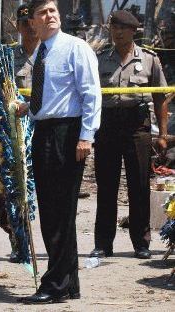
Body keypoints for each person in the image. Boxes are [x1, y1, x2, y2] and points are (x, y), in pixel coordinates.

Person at [17, 0, 101, 304]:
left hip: (66, 134)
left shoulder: (75, 47)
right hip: (46, 130)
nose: (50, 16)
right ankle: (68, 283)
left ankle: (54, 285)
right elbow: (52, 95)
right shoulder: (43, 51)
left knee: (59, 212)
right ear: (32, 22)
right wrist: (28, 107)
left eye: (53, 10)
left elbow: (90, 93)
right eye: (43, 13)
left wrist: (86, 136)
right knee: (54, 211)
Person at [90, 10, 168, 260]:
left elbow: (161, 97)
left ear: (133, 31)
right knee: (106, 186)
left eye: (123, 28)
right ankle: (103, 243)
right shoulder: (100, 58)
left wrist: (163, 134)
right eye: (114, 27)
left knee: (139, 186)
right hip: (108, 126)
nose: (118, 32)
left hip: (137, 125)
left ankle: (141, 243)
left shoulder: (148, 59)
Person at [6, 3, 40, 264]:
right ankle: (20, 243)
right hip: (15, 132)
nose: (29, 28)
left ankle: (48, 241)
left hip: (44, 129)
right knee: (16, 189)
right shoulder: (7, 59)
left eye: (32, 23)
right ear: (18, 27)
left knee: (47, 187)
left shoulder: (50, 55)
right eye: (24, 24)